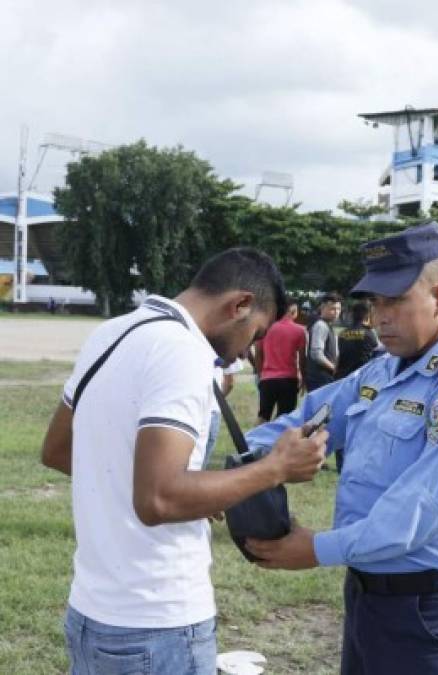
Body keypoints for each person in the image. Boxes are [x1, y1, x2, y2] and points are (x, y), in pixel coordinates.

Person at [243, 222, 438, 675]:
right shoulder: (383, 372)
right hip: (371, 599)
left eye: (395, 300)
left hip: (431, 614)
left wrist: (315, 548)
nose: (380, 317)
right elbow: (307, 418)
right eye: (375, 302)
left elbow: (416, 515)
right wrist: (240, 468)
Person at [40, 248, 328, 675]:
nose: (248, 353)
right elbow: (158, 499)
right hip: (157, 625)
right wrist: (275, 468)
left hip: (93, 615)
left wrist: (196, 492)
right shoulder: (185, 353)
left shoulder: (115, 331)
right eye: (255, 334)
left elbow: (60, 450)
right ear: (240, 305)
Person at [255, 298, 308, 424]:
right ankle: (277, 440)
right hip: (289, 379)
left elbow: (258, 354)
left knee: (263, 415)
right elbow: (302, 359)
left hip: (267, 378)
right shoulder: (300, 331)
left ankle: (253, 441)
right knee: (286, 417)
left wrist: (260, 374)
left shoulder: (266, 327)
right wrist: (304, 378)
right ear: (293, 311)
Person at [305, 294, 341, 392]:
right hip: (319, 379)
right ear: (322, 308)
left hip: (325, 378)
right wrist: (334, 368)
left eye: (338, 309)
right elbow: (316, 354)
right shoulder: (321, 325)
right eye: (332, 309)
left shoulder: (328, 326)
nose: (336, 312)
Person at [335, 302, 380, 380]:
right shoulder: (369, 333)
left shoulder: (342, 333)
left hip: (343, 377)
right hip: (362, 377)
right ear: (367, 315)